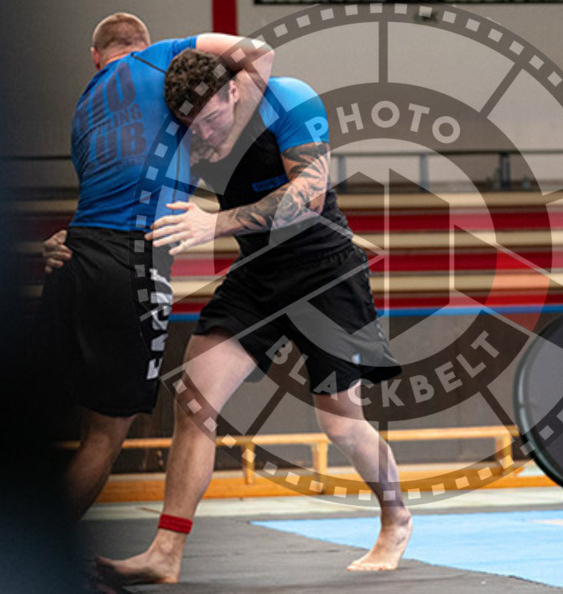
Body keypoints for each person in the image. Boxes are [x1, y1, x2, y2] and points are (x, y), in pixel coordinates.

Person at [93, 48, 413, 585]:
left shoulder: (286, 98)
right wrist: (72, 238)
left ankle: (396, 517)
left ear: (234, 92)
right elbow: (130, 203)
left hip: (326, 273)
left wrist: (215, 224)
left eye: (214, 120)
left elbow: (308, 197)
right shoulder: (185, 131)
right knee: (193, 399)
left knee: (341, 423)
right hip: (259, 273)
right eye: (192, 127)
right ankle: (166, 552)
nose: (206, 136)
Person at [38, 13, 274, 521]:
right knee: (102, 439)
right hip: (130, 269)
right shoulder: (162, 57)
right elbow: (259, 51)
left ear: (95, 58)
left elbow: (108, 184)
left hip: (72, 260)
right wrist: (228, 139)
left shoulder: (84, 106)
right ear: (147, 46)